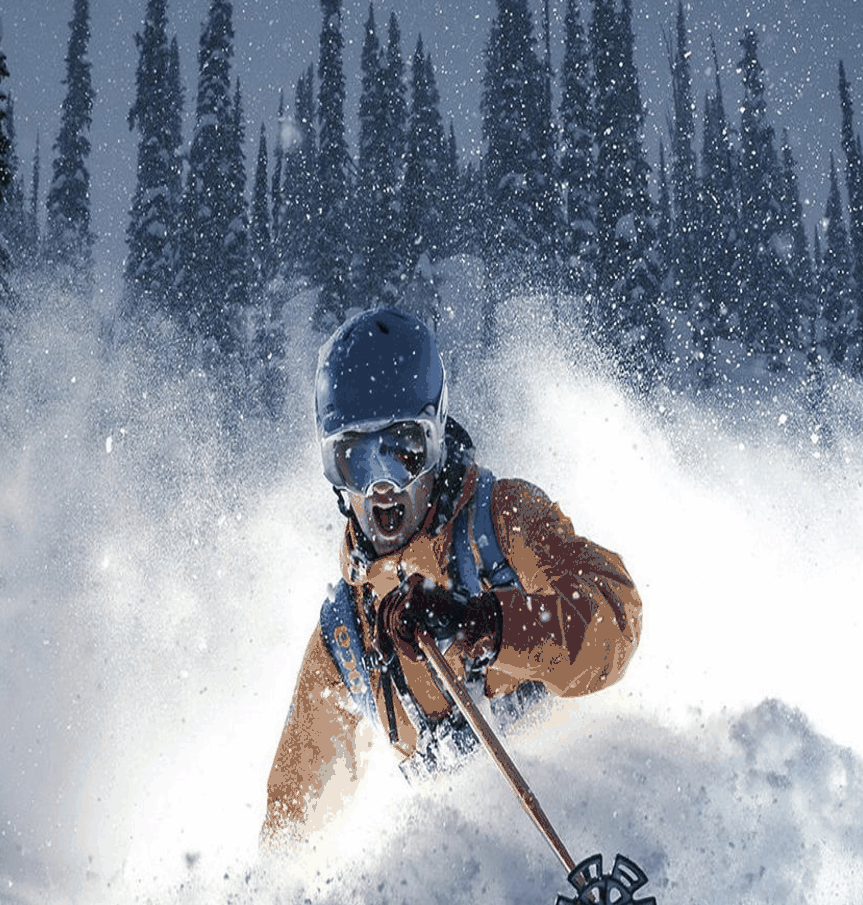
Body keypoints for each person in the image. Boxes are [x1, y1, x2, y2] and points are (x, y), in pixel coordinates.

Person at [262, 306, 642, 842]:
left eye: (402, 452)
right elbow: (290, 831)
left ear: (437, 438)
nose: (380, 490)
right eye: (355, 460)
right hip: (484, 881)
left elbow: (616, 620)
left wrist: (490, 623)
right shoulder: (348, 641)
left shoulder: (502, 527)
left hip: (591, 840)